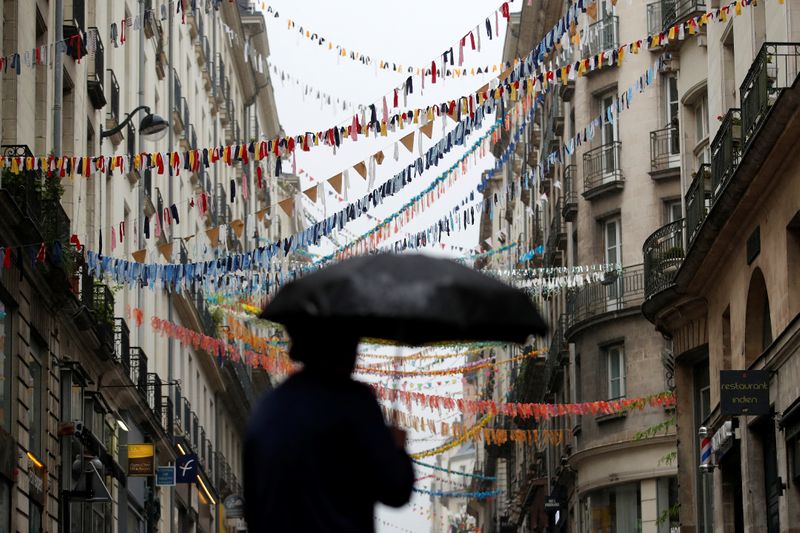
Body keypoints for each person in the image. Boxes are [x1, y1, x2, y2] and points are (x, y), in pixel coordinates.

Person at [243, 326, 414, 532]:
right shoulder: (353, 402)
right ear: (343, 349)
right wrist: (397, 448)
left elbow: (252, 506)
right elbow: (395, 489)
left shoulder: (266, 407)